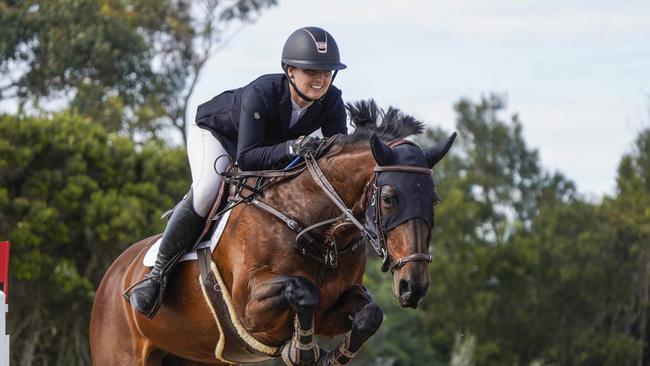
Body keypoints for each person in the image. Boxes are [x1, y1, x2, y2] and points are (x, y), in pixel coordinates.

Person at [127, 26, 349, 318]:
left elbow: (338, 153)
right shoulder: (263, 93)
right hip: (218, 136)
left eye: (327, 72)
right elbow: (246, 159)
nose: (321, 80)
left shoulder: (332, 100)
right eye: (312, 71)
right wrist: (293, 149)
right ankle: (156, 275)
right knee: (207, 189)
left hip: (267, 146)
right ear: (291, 71)